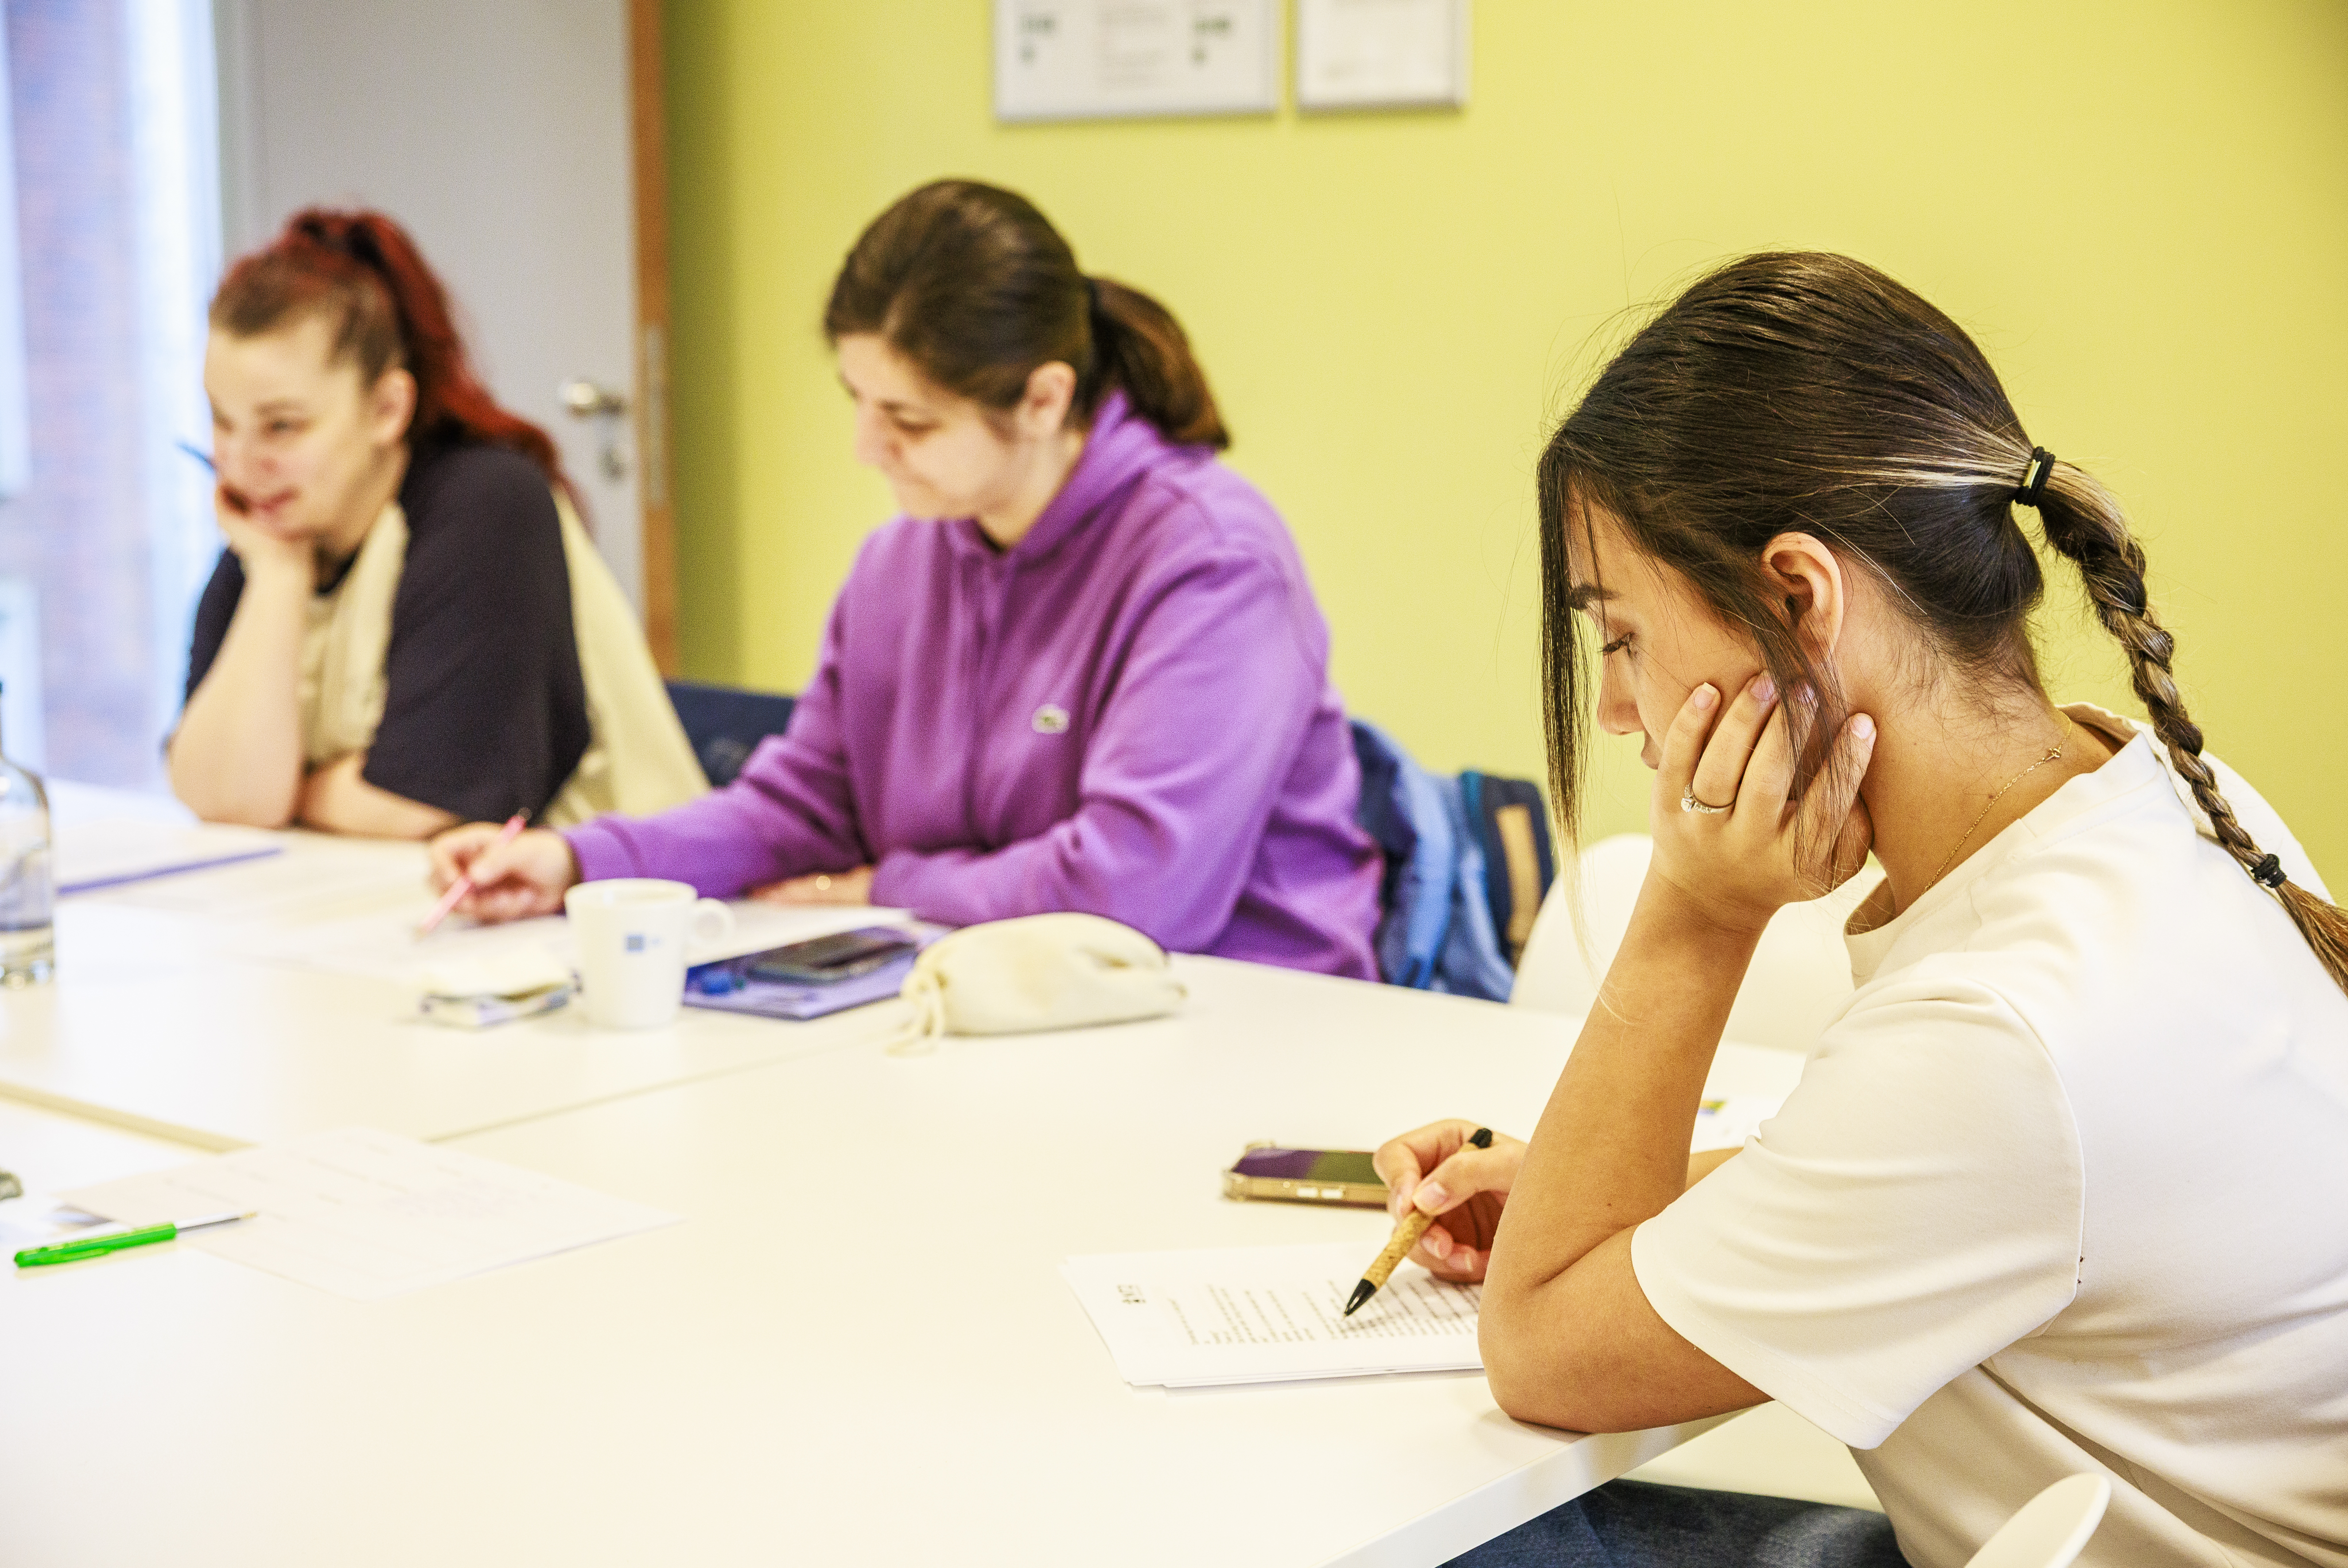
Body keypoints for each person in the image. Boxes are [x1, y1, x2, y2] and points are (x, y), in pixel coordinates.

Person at [1372, 254, 2348, 1568]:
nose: (1614, 711)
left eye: (1617, 637)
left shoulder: (2006, 1031)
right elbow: (2009, 1190)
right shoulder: (2162, 795)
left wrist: (1693, 914)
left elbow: (1541, 1349)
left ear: (1796, 600)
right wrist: (1569, 1184)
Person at [432, 180, 1383, 978]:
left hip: (1237, 1014)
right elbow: (806, 805)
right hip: (990, 994)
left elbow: (1132, 893)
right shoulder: (904, 560)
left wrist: (891, 884)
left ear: (1044, 399)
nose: (866, 447)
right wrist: (578, 861)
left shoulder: (1210, 561)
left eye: (911, 420)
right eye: (857, 401)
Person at [172, 208, 705, 836]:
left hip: (610, 913)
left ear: (386, 408)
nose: (240, 463)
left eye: (283, 426)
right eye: (223, 422)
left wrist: (289, 789)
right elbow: (218, 798)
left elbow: (420, 804)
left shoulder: (486, 504)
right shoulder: (270, 537)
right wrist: (279, 578)